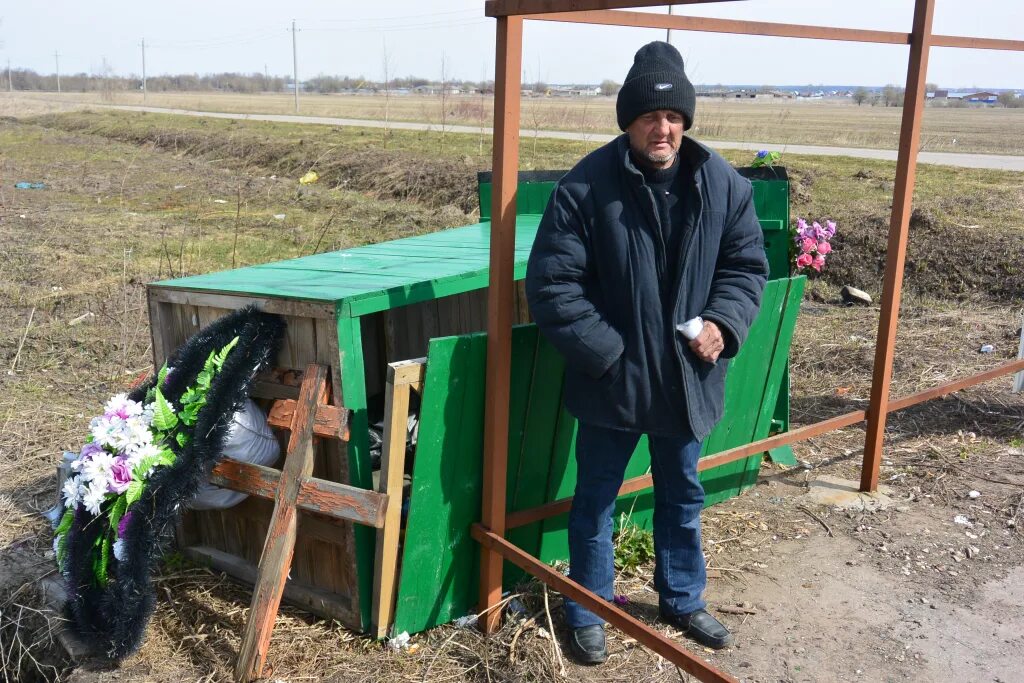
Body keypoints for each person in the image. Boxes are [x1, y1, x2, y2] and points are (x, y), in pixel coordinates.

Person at [524, 41, 769, 665]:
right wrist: (608, 353)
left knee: (683, 495)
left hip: (688, 377)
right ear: (627, 122)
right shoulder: (585, 187)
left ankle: (682, 600)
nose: (662, 129)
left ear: (686, 120)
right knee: (596, 500)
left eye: (673, 117)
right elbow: (552, 284)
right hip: (613, 383)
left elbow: (745, 267)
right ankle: (591, 608)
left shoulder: (723, 185)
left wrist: (722, 323)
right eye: (649, 118)